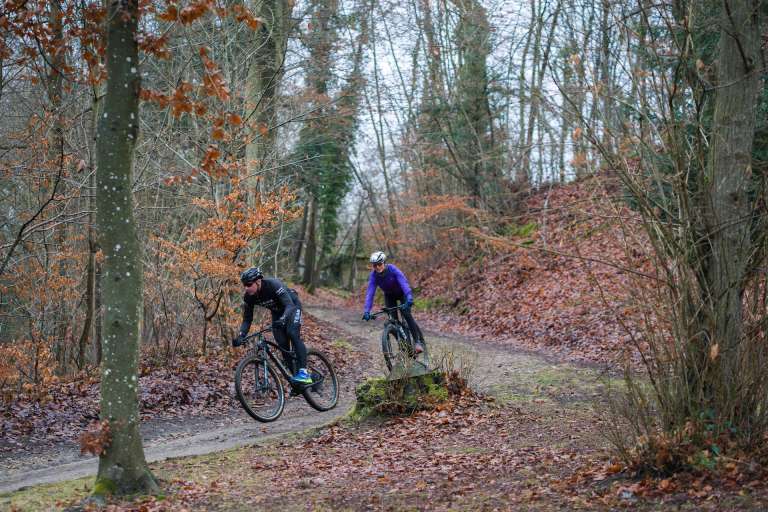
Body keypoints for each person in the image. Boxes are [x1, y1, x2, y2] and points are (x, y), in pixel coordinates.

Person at [232, 267, 312, 384]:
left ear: (258, 281)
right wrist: (241, 335)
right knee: (283, 346)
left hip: (292, 306)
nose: (246, 288)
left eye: (249, 284)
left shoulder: (273, 285)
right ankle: (298, 381)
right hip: (277, 313)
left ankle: (304, 373)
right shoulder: (249, 297)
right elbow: (247, 319)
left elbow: (289, 305)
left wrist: (284, 319)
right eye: (244, 285)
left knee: (292, 333)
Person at [362, 251, 425, 353]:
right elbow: (370, 293)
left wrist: (409, 298)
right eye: (374, 265)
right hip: (389, 296)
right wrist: (367, 311)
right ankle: (403, 345)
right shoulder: (374, 276)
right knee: (393, 321)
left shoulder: (392, 269)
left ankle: (417, 342)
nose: (377, 267)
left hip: (402, 293)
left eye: (379, 264)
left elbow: (403, 282)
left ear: (384, 262)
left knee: (406, 313)